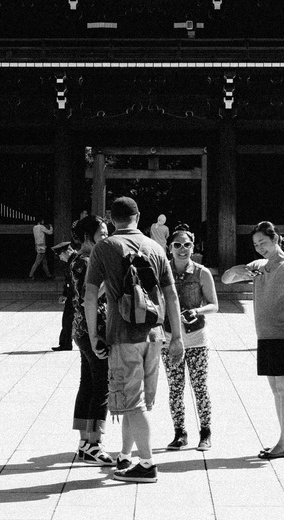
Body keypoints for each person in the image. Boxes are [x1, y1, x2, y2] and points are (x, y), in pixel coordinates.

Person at [84, 196, 184, 484]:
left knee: (131, 400)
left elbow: (91, 295)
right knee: (135, 400)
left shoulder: (105, 247)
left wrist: (94, 336)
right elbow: (171, 295)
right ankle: (126, 456)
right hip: (153, 334)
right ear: (138, 217)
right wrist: (176, 336)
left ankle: (147, 463)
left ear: (112, 219)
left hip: (122, 334)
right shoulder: (156, 247)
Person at [222, 220, 284, 460]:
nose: (259, 247)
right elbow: (226, 279)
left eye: (263, 242)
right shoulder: (258, 265)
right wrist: (242, 270)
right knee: (275, 389)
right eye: (255, 244)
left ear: (275, 240)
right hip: (265, 335)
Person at [163, 227, 219, 450]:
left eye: (187, 245)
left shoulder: (202, 272)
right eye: (177, 245)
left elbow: (214, 305)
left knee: (200, 386)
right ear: (170, 248)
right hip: (170, 338)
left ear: (193, 247)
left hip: (196, 337)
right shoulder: (162, 271)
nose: (182, 249)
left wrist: (197, 312)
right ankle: (179, 433)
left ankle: (205, 432)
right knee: (175, 387)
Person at [68, 215, 113, 463]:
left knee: (88, 384)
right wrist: (112, 277)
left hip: (82, 330)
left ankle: (85, 442)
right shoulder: (86, 262)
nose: (105, 236)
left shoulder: (78, 260)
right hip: (92, 329)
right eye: (102, 233)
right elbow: (90, 296)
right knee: (101, 387)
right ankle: (95, 443)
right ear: (88, 236)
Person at [53, 234, 80, 351]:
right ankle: (65, 343)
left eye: (60, 255)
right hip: (71, 296)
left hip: (77, 297)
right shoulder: (70, 262)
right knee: (66, 320)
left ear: (67, 251)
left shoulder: (78, 261)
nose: (60, 258)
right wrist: (64, 294)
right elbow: (68, 280)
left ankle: (66, 343)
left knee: (70, 321)